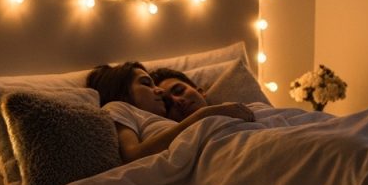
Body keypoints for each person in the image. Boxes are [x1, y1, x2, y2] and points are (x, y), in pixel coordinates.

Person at [86, 61, 254, 162]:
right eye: (146, 83)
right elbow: (133, 156)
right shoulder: (119, 107)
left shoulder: (165, 121)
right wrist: (203, 115)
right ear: (121, 92)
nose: (158, 91)